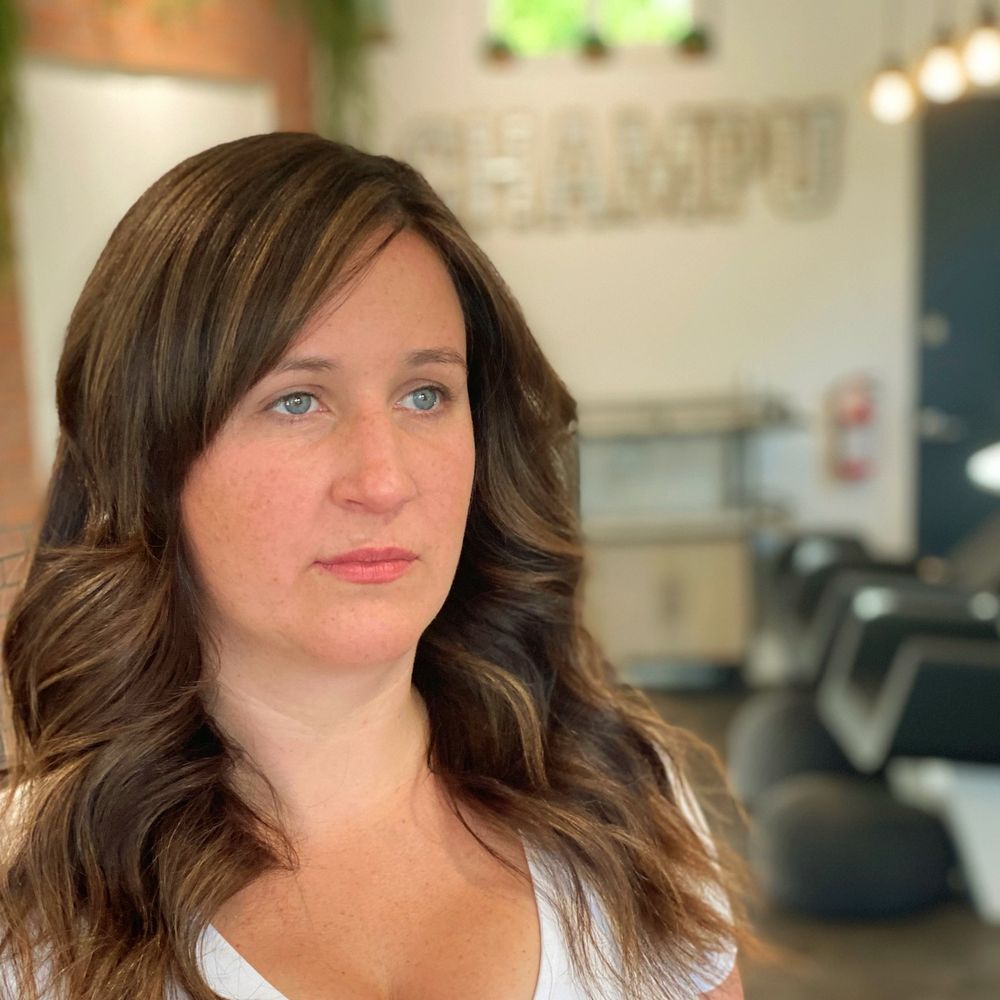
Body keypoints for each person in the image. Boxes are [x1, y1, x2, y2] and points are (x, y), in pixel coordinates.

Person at [1, 133, 747, 999]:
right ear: (149, 455)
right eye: (296, 401)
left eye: (425, 395)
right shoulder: (27, 912)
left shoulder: (621, 801)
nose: (384, 481)